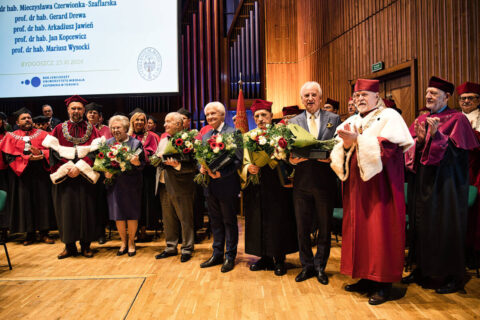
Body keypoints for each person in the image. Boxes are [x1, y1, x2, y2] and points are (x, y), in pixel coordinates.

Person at [330, 79, 414, 305]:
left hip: (381, 188)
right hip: (358, 188)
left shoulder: (390, 117)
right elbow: (340, 148)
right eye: (356, 96)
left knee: (380, 233)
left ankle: (383, 284)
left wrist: (357, 140)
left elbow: (388, 150)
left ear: (377, 97)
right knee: (360, 231)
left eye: (364, 95)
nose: (359, 100)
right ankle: (365, 278)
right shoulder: (353, 119)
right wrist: (346, 145)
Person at [403, 76, 479, 294]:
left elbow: (459, 155)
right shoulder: (421, 119)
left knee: (445, 227)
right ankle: (421, 269)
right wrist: (418, 142)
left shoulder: (458, 120)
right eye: (427, 92)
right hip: (422, 182)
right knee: (421, 226)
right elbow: (408, 151)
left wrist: (436, 137)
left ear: (446, 97)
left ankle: (452, 277)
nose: (428, 96)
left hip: (447, 185)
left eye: (434, 93)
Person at [288, 81, 341, 284]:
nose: (309, 99)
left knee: (325, 228)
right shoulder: (294, 121)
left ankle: (320, 267)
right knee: (302, 228)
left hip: (324, 182)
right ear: (302, 100)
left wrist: (332, 159)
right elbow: (288, 151)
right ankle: (307, 266)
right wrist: (291, 160)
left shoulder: (334, 119)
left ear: (320, 98)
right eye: (306, 96)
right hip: (301, 183)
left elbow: (339, 147)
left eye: (313, 95)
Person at [241, 99, 298, 276]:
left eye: (264, 115)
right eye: (257, 116)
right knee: (257, 219)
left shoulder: (281, 135)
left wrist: (278, 156)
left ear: (271, 116)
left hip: (277, 183)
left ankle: (279, 258)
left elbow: (291, 157)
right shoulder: (247, 136)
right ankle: (263, 257)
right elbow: (242, 161)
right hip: (256, 183)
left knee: (278, 220)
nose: (260, 119)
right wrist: (248, 167)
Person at [42, 95, 103, 259]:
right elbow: (53, 152)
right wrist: (69, 168)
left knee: (87, 211)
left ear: (84, 110)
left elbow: (96, 151)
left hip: (85, 178)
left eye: (79, 108)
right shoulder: (58, 129)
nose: (76, 111)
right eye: (73, 108)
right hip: (65, 178)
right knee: (66, 212)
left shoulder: (93, 129)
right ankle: (69, 246)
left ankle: (86, 246)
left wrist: (80, 167)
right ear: (68, 110)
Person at [0, 108, 56, 245]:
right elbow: (8, 156)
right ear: (17, 122)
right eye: (23, 118)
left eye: (29, 118)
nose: (27, 120)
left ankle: (44, 233)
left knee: (42, 202)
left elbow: (53, 150)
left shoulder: (43, 134)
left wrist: (42, 155)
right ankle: (29, 234)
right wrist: (26, 158)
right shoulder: (10, 136)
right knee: (25, 203)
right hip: (21, 175)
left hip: (40, 173)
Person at [199, 101, 243, 273]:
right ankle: (217, 254)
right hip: (210, 187)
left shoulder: (234, 133)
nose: (210, 117)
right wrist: (200, 167)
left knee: (229, 222)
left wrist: (221, 174)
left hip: (227, 185)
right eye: (208, 114)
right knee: (215, 222)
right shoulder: (205, 136)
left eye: (213, 113)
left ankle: (230, 256)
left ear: (223, 115)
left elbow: (238, 161)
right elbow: (200, 158)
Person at [155, 113, 196, 262]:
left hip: (181, 184)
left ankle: (187, 248)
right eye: (165, 122)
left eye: (168, 122)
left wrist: (178, 165)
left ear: (179, 125)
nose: (164, 125)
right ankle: (170, 247)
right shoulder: (163, 139)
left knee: (185, 218)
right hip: (163, 183)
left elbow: (193, 165)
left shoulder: (188, 139)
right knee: (168, 219)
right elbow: (158, 157)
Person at [104, 115, 143, 257]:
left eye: (118, 127)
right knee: (118, 215)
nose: (115, 130)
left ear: (126, 128)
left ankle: (132, 242)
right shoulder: (107, 144)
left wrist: (137, 163)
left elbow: (142, 165)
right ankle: (123, 242)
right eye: (113, 128)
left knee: (131, 214)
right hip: (115, 185)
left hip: (131, 184)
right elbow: (102, 163)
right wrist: (106, 172)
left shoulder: (135, 144)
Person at [456, 81, 480, 270]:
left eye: (469, 98)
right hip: (455, 170)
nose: (465, 102)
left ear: (478, 100)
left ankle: (473, 251)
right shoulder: (454, 117)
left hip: (476, 170)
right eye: (463, 98)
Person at [129, 112, 161, 241]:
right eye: (137, 120)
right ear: (132, 122)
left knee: (145, 202)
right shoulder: (128, 136)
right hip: (131, 173)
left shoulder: (152, 136)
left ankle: (143, 229)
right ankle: (133, 230)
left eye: (142, 120)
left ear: (146, 122)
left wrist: (143, 155)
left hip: (147, 173)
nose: (139, 122)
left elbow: (156, 153)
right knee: (133, 202)